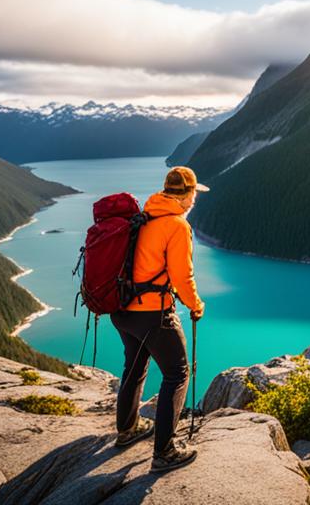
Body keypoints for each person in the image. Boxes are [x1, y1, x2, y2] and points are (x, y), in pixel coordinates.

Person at [110, 166, 208, 473]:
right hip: (152, 313)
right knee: (177, 374)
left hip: (122, 309)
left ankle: (126, 430)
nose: (195, 198)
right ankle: (165, 451)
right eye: (194, 193)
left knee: (135, 365)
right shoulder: (177, 225)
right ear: (187, 195)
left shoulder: (144, 216)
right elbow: (182, 275)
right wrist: (195, 304)